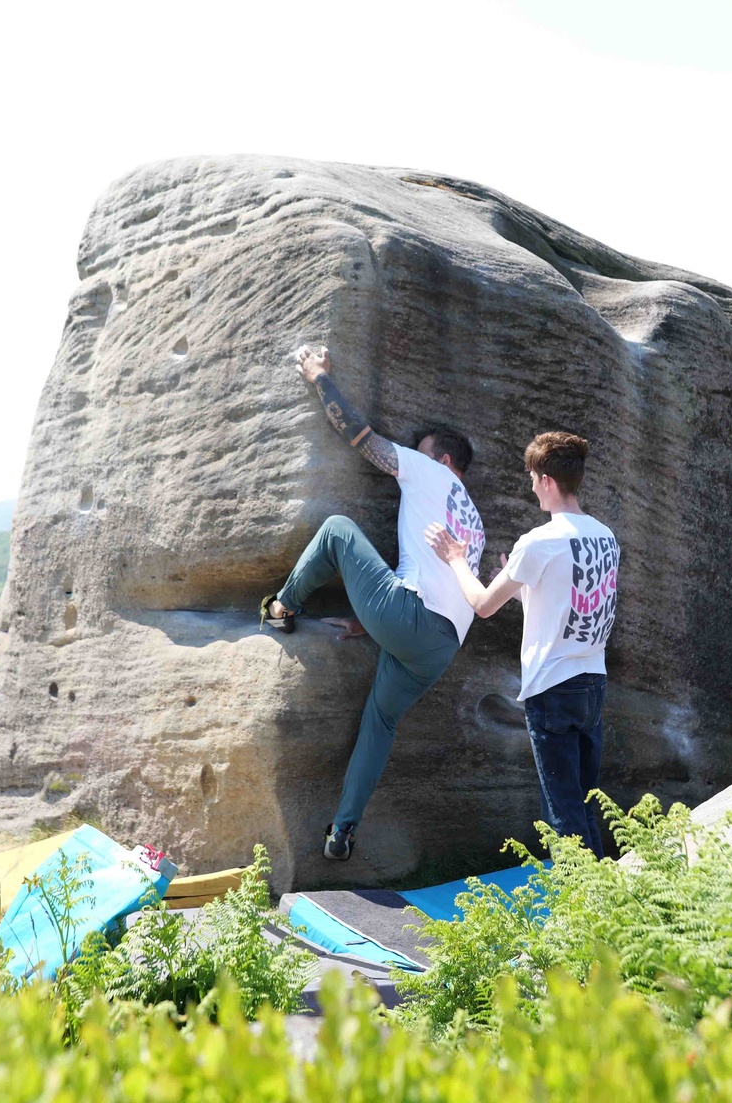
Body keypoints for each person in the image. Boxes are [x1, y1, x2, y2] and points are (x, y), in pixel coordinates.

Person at [261, 344, 486, 861]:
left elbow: (361, 437)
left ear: (443, 459)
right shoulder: (473, 519)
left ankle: (281, 609)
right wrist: (373, 620)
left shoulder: (433, 473)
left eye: (422, 449)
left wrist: (320, 378)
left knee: (338, 529)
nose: (413, 455)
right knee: (379, 723)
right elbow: (437, 577)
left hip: (409, 618)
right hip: (439, 647)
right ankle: (342, 833)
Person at [426, 431, 618, 855]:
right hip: (593, 681)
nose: (531, 486)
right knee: (587, 803)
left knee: (564, 814)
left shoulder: (537, 542)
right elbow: (571, 606)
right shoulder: (605, 536)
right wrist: (520, 585)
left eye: (532, 477)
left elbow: (481, 604)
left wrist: (456, 559)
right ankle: (609, 908)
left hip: (552, 689)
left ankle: (583, 912)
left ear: (547, 480)